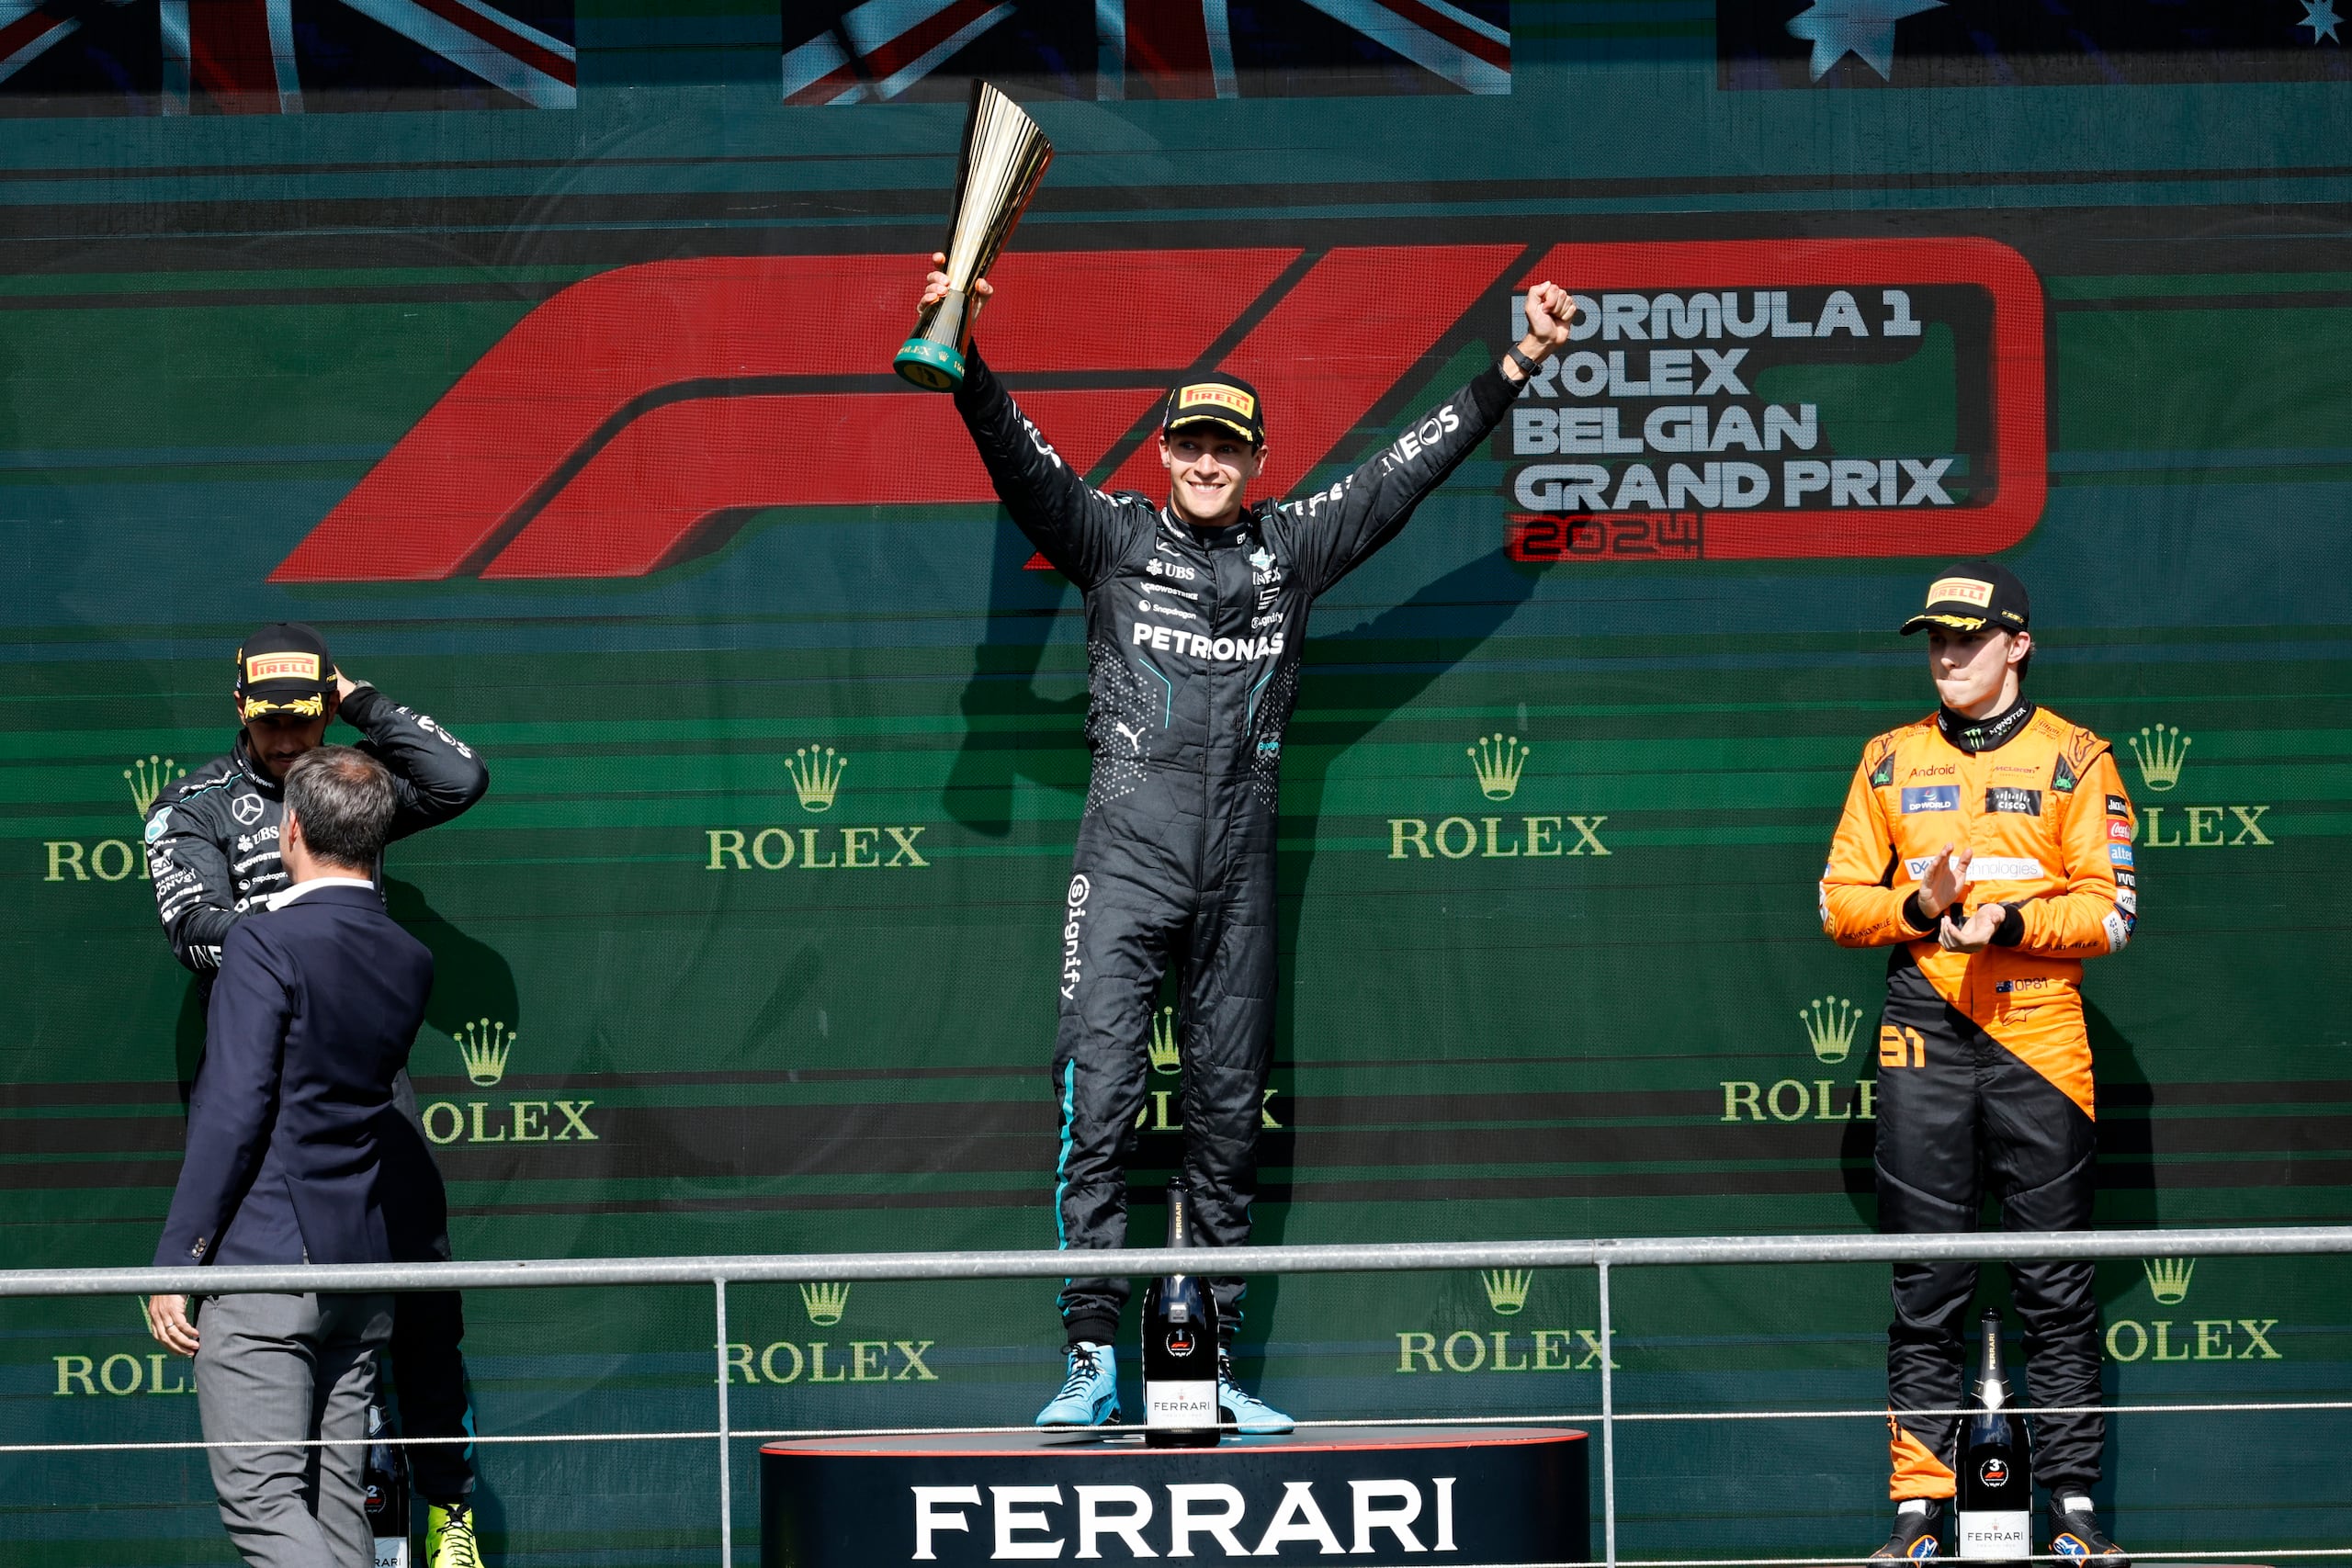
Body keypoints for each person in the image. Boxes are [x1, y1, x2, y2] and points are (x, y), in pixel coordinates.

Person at [923, 254, 1578, 1430]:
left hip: (1238, 878)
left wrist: (1517, 367)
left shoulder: (1296, 548)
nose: (1208, 463)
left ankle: (1207, 1371)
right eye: (1190, 445)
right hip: (1123, 866)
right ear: (1162, 453)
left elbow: (1406, 470)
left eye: (1228, 447)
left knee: (1228, 1117)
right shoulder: (1109, 538)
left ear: (1257, 461)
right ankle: (1089, 1356)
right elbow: (1018, 464)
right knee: (1104, 1101)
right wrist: (964, 355)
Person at [143, 623, 489, 1567]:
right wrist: (305, 926)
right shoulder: (199, 804)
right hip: (271, 1069)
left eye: (307, 720)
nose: (293, 742)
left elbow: (458, 778)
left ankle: (446, 1505)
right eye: (274, 726)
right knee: (297, 1436)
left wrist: (359, 702)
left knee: (420, 1290)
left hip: (363, 1082)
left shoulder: (348, 788)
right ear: (240, 712)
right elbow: (194, 929)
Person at [1819, 561, 2135, 1567]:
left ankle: (2075, 1512)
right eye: (1935, 639)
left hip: (2039, 1024)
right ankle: (1917, 1516)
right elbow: (1836, 903)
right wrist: (1917, 909)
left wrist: (2011, 919)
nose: (1947, 656)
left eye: (1968, 637)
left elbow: (2112, 909)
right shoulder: (1884, 761)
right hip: (1924, 1025)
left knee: (2055, 1283)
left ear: (2017, 643)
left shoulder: (2076, 759)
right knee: (1924, 1282)